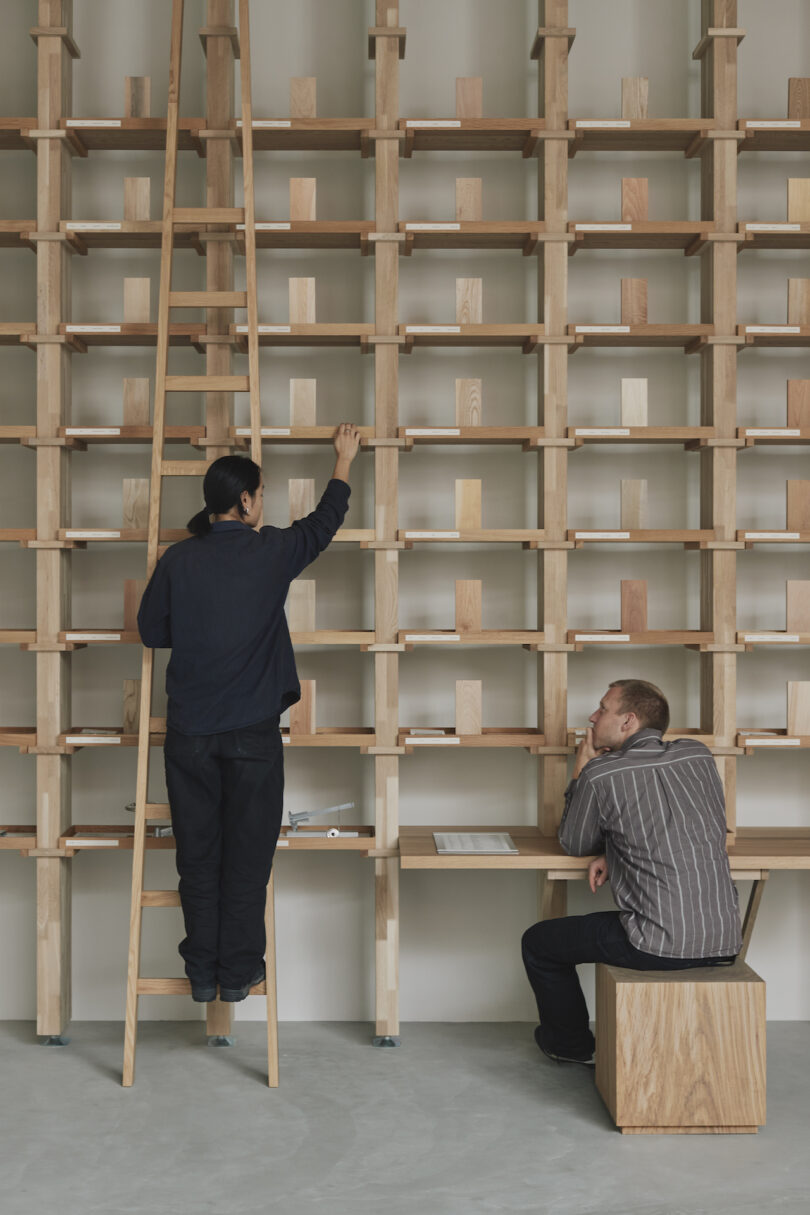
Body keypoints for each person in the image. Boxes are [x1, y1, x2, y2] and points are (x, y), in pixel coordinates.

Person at [137, 424, 361, 1003]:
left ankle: (201, 976)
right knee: (246, 861)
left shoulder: (178, 559)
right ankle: (236, 976)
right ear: (244, 500)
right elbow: (322, 527)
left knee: (198, 860)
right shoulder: (270, 552)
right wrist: (343, 462)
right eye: (261, 495)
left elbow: (150, 632)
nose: (265, 504)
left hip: (188, 735)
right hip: (252, 739)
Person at [521, 679, 741, 1066]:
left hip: (656, 943)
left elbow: (573, 843)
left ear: (628, 721)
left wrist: (579, 769)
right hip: (724, 937)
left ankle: (571, 1047)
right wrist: (612, 848)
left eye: (602, 708)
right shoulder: (698, 755)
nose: (592, 716)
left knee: (539, 943)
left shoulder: (601, 773)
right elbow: (673, 823)